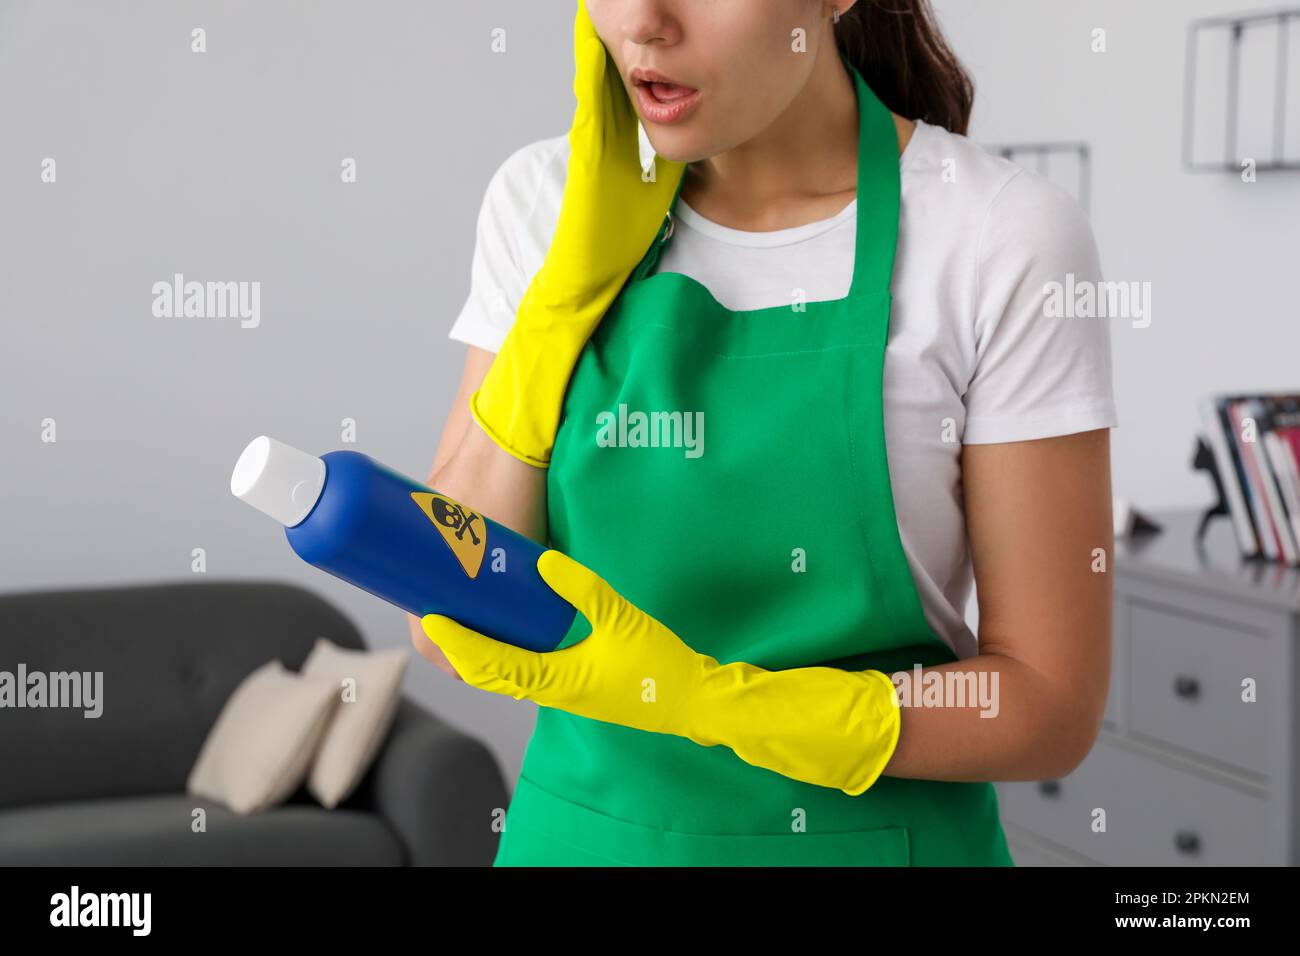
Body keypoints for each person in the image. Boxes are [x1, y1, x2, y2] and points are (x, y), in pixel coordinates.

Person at [409, 0, 1116, 866]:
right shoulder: (544, 201)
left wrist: (705, 702)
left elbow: (1047, 705)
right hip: (579, 840)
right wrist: (560, 302)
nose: (641, 23)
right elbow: (450, 613)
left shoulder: (998, 234)